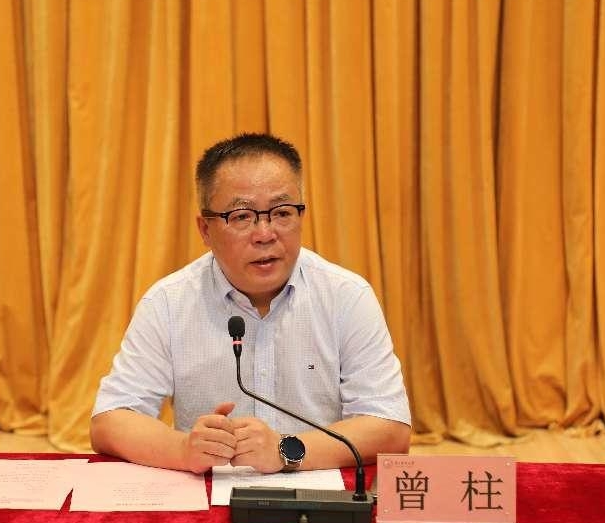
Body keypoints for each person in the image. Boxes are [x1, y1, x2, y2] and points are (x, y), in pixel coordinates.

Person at [90, 132, 411, 474]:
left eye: (282, 212)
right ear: (205, 230)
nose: (265, 234)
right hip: (209, 493)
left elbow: (390, 428)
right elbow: (111, 421)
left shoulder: (346, 296)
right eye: (242, 217)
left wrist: (286, 450)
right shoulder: (169, 302)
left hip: (317, 489)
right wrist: (182, 450)